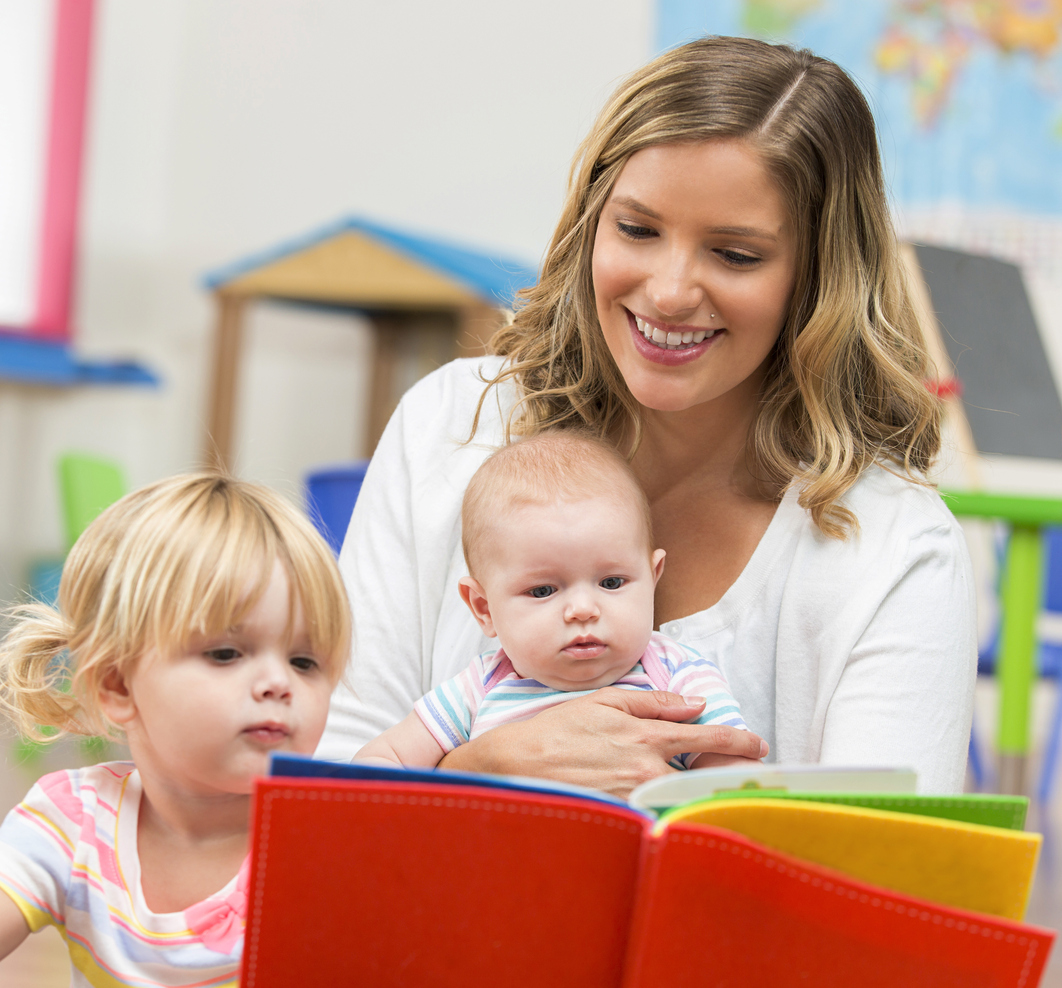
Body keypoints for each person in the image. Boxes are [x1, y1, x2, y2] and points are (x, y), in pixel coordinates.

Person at [319, 36, 976, 796]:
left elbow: (883, 883)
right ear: (593, 223)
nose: (668, 292)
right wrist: (491, 767)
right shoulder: (451, 421)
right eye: (636, 230)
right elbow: (325, 784)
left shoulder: (892, 550)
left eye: (734, 254)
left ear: (818, 280)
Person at [0, 474, 350, 987]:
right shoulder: (74, 818)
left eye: (304, 661)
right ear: (118, 685)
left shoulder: (332, 839)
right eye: (226, 653)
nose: (278, 682)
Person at [356, 430, 763, 770]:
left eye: (612, 582)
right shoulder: (478, 688)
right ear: (483, 608)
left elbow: (734, 780)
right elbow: (380, 761)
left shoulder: (677, 677)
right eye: (543, 591)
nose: (583, 609)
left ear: (653, 580)